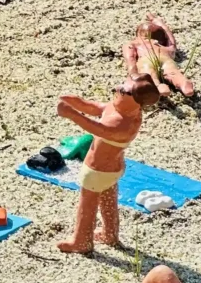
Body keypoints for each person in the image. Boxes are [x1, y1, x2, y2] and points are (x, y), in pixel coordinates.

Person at [55, 75, 160, 253]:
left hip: (98, 170)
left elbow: (98, 129)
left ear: (135, 99)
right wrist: (77, 103)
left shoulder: (123, 123)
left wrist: (71, 114)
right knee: (108, 200)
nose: (117, 89)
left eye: (123, 90)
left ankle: (82, 241)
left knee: (87, 204)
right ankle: (110, 234)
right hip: (113, 168)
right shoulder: (121, 109)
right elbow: (96, 108)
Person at [124, 14, 194, 98]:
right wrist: (157, 20)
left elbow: (130, 58)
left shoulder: (136, 43)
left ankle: (157, 86)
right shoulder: (168, 47)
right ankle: (182, 82)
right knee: (173, 72)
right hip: (166, 59)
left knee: (149, 74)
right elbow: (168, 32)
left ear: (138, 35)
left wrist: (133, 73)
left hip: (147, 60)